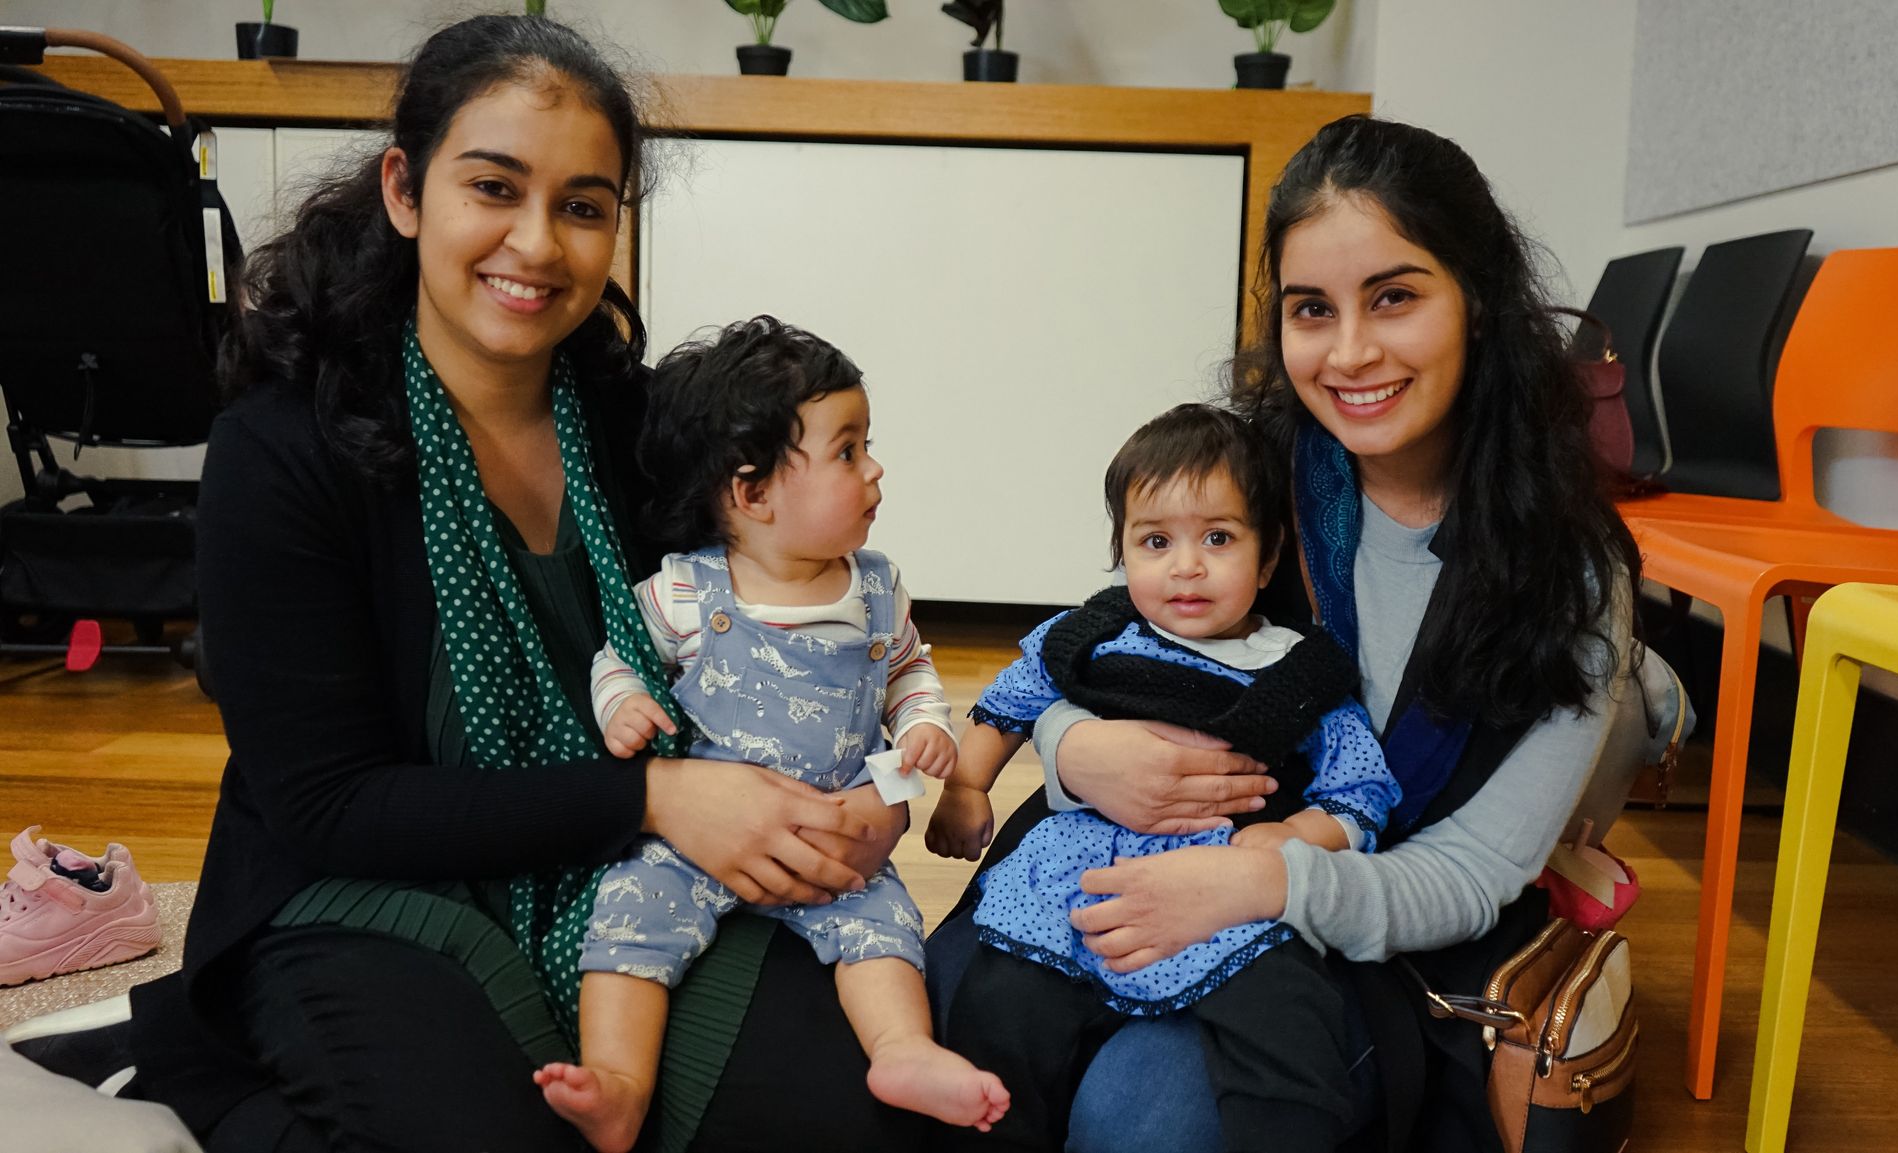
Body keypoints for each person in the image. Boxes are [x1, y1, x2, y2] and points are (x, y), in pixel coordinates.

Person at [117, 18, 922, 1152]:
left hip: (637, 878)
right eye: (494, 186)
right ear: (404, 188)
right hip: (366, 884)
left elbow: (788, 617)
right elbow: (329, 806)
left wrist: (856, 788)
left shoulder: (634, 426)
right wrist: (655, 797)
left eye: (584, 206)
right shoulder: (279, 452)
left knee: (853, 1120)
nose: (537, 244)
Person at [928, 113, 1664, 1153]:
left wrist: (1258, 879)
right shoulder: (1256, 474)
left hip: (1360, 933)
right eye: (1311, 309)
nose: (1350, 351)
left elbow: (1463, 874)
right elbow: (1106, 641)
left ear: (1478, 306)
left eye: (1395, 296)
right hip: (1126, 851)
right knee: (945, 1028)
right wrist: (1073, 748)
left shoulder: (1564, 575)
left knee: (1134, 1116)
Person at [533, 316, 1009, 1150]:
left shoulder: (876, 589)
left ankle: (903, 1050)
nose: (876, 468)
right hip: (696, 843)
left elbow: (909, 676)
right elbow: (617, 660)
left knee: (884, 931)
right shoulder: (686, 591)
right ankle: (619, 1079)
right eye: (849, 450)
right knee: (630, 915)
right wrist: (622, 706)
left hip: (837, 842)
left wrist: (921, 739)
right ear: (751, 493)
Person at [929, 403, 1400, 1152]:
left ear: (1269, 556)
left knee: (1287, 1021)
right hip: (1077, 881)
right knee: (998, 1013)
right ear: (1121, 551)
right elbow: (1014, 698)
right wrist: (966, 786)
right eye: (1156, 541)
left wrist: (1291, 836)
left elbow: (1359, 789)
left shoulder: (1299, 671)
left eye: (1218, 538)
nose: (1186, 566)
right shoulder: (1094, 633)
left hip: (1223, 892)